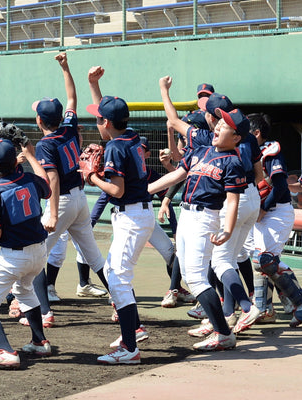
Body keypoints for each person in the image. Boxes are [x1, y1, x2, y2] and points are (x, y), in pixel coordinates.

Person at [151, 76, 250, 351]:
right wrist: (146, 189)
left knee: (195, 276)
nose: (218, 126)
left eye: (226, 126)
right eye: (218, 122)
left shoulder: (232, 162)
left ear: (237, 137)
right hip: (186, 215)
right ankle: (220, 326)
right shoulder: (201, 150)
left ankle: (223, 332)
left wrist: (228, 229)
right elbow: (177, 175)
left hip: (206, 217)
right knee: (188, 266)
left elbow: (232, 202)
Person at [83, 66, 155, 365]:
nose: (97, 121)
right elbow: (109, 117)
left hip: (132, 214)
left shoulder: (114, 146)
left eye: (99, 118)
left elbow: (116, 190)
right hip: (138, 214)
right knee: (116, 274)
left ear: (107, 122)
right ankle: (133, 331)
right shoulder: (132, 136)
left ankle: (129, 347)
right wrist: (94, 86)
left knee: (118, 280)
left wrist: (91, 177)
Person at [31, 52, 109, 327]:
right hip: (80, 200)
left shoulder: (46, 144)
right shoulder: (68, 127)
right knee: (94, 255)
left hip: (62, 202)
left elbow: (51, 179)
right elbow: (72, 98)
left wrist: (51, 214)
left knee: (34, 254)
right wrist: (66, 68)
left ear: (40, 121)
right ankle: (119, 300)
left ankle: (43, 312)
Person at [0, 138, 52, 369]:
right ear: (15, 162)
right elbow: (45, 183)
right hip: (39, 253)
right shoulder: (28, 178)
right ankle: (39, 341)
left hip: (13, 257)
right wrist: (30, 156)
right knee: (24, 291)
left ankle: (5, 351)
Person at [248, 113, 302, 328]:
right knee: (260, 262)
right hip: (260, 213)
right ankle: (270, 306)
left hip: (277, 211)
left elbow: (281, 186)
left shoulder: (271, 151)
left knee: (265, 261)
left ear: (256, 133)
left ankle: (300, 303)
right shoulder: (247, 153)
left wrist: (264, 208)